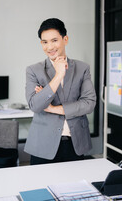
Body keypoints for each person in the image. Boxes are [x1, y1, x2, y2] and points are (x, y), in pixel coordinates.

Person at [24, 18, 96, 165]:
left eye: (54, 40)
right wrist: (58, 75)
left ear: (65, 39)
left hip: (75, 143)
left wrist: (52, 108)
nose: (49, 47)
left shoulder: (83, 68)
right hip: (43, 144)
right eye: (45, 42)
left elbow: (89, 104)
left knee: (76, 187)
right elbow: (35, 105)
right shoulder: (34, 70)